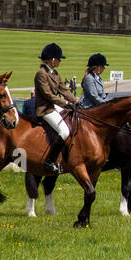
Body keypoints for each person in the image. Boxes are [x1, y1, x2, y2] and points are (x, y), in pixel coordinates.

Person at [34, 43, 80, 174]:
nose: (60, 61)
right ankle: (49, 161)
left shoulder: (55, 73)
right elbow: (48, 95)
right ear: (52, 59)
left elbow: (64, 89)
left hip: (53, 107)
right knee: (65, 131)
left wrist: (75, 100)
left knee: (74, 120)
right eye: (59, 59)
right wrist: (65, 102)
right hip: (45, 109)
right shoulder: (41, 74)